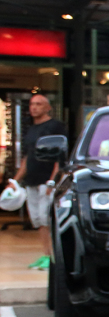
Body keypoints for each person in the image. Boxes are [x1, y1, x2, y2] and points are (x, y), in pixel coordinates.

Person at [12, 94, 67, 269]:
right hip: (31, 181)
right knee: (37, 220)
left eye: (38, 104)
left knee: (46, 218)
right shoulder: (31, 130)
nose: (34, 107)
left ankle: (54, 257)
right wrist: (15, 181)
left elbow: (60, 155)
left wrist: (53, 180)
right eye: (32, 104)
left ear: (47, 107)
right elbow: (27, 158)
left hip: (47, 181)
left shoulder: (55, 127)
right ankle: (46, 254)